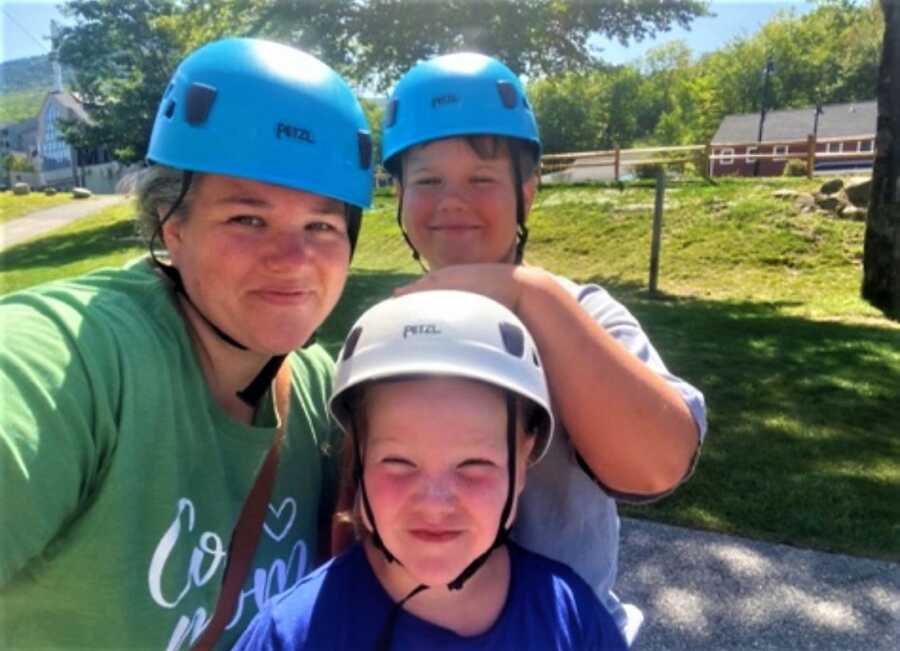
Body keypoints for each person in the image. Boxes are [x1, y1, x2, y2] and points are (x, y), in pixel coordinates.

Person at [0, 38, 373, 650]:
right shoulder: (77, 361)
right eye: (247, 219)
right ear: (172, 229)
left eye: (321, 225)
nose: (293, 260)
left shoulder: (323, 395)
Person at [379, 52, 708, 644]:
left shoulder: (582, 312)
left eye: (481, 180)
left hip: (563, 631)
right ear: (399, 195)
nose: (452, 201)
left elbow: (659, 464)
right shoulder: (387, 329)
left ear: (526, 195)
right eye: (427, 180)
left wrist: (530, 293)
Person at [233, 289, 628, 650]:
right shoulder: (291, 634)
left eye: (474, 465)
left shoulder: (570, 618)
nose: (435, 503)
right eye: (399, 463)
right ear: (359, 461)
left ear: (522, 466)